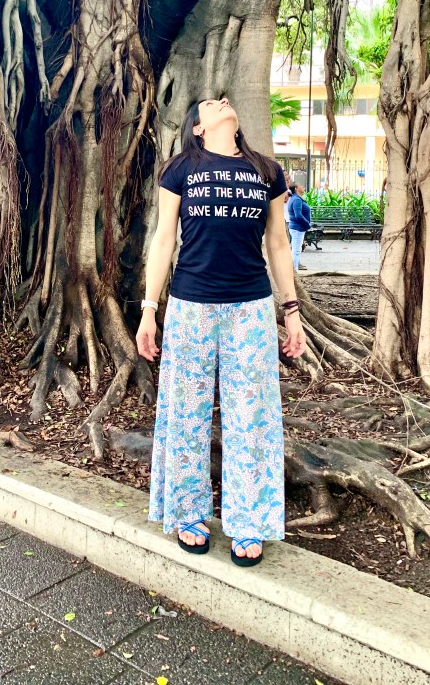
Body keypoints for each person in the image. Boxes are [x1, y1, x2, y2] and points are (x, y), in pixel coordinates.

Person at [136, 97, 307, 568]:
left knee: (250, 417)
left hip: (250, 308)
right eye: (211, 103)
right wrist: (150, 310)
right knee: (186, 412)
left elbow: (277, 242)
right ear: (197, 128)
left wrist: (290, 311)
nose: (223, 101)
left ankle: (248, 520)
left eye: (226, 99)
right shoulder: (180, 169)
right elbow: (164, 240)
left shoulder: (266, 170)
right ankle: (189, 513)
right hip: (191, 306)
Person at [287, 177, 312, 270]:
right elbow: (298, 215)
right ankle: (294, 269)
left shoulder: (296, 198)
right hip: (298, 228)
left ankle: (294, 269)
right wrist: (307, 224)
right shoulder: (297, 199)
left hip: (297, 227)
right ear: (296, 188)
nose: (303, 187)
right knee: (296, 250)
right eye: (301, 186)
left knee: (296, 249)